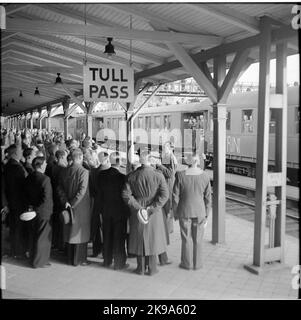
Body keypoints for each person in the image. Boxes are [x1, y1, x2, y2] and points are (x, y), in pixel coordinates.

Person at [122, 150, 169, 276]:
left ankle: (140, 268)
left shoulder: (131, 175)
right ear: (150, 160)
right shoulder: (158, 175)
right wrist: (152, 208)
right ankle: (152, 269)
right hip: (153, 212)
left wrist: (138, 208)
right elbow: (165, 195)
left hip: (137, 210)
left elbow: (126, 195)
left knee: (139, 238)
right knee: (153, 238)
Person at [172, 153, 212, 270]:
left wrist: (175, 212)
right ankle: (197, 264)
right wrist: (206, 214)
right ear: (197, 162)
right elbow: (208, 198)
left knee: (186, 238)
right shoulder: (205, 176)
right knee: (198, 239)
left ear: (187, 162)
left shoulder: (180, 175)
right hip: (200, 212)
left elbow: (175, 196)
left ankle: (186, 263)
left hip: (184, 211)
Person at [57, 148, 91, 266]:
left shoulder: (65, 171)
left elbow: (59, 188)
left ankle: (70, 258)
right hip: (80, 207)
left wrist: (65, 201)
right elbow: (82, 191)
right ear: (80, 157)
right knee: (79, 234)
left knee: (70, 231)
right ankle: (80, 260)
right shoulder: (84, 172)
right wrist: (72, 203)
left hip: (67, 206)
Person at [96, 152, 129, 270]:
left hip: (105, 210)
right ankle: (119, 263)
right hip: (119, 212)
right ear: (119, 163)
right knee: (119, 238)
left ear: (110, 161)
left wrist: (99, 210)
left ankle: (107, 260)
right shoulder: (122, 178)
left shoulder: (101, 175)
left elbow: (98, 194)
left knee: (107, 235)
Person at [24, 157, 53, 268]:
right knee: (42, 237)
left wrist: (31, 207)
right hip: (43, 212)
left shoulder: (29, 177)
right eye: (44, 163)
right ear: (40, 165)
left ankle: (34, 258)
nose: (46, 165)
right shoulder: (45, 179)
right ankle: (39, 261)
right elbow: (47, 198)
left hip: (31, 211)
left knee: (33, 235)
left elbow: (25, 194)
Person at [3, 144, 28, 258]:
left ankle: (16, 250)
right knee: (18, 227)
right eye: (20, 151)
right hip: (17, 201)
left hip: (13, 201)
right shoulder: (15, 167)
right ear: (15, 154)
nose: (22, 151)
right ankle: (18, 252)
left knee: (15, 226)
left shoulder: (10, 165)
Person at [155, 141, 177, 266]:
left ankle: (168, 229)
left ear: (169, 148)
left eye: (164, 148)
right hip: (165, 185)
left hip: (168, 186)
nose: (162, 150)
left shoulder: (170, 157)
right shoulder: (166, 157)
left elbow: (170, 173)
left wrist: (159, 166)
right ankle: (167, 228)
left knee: (167, 209)